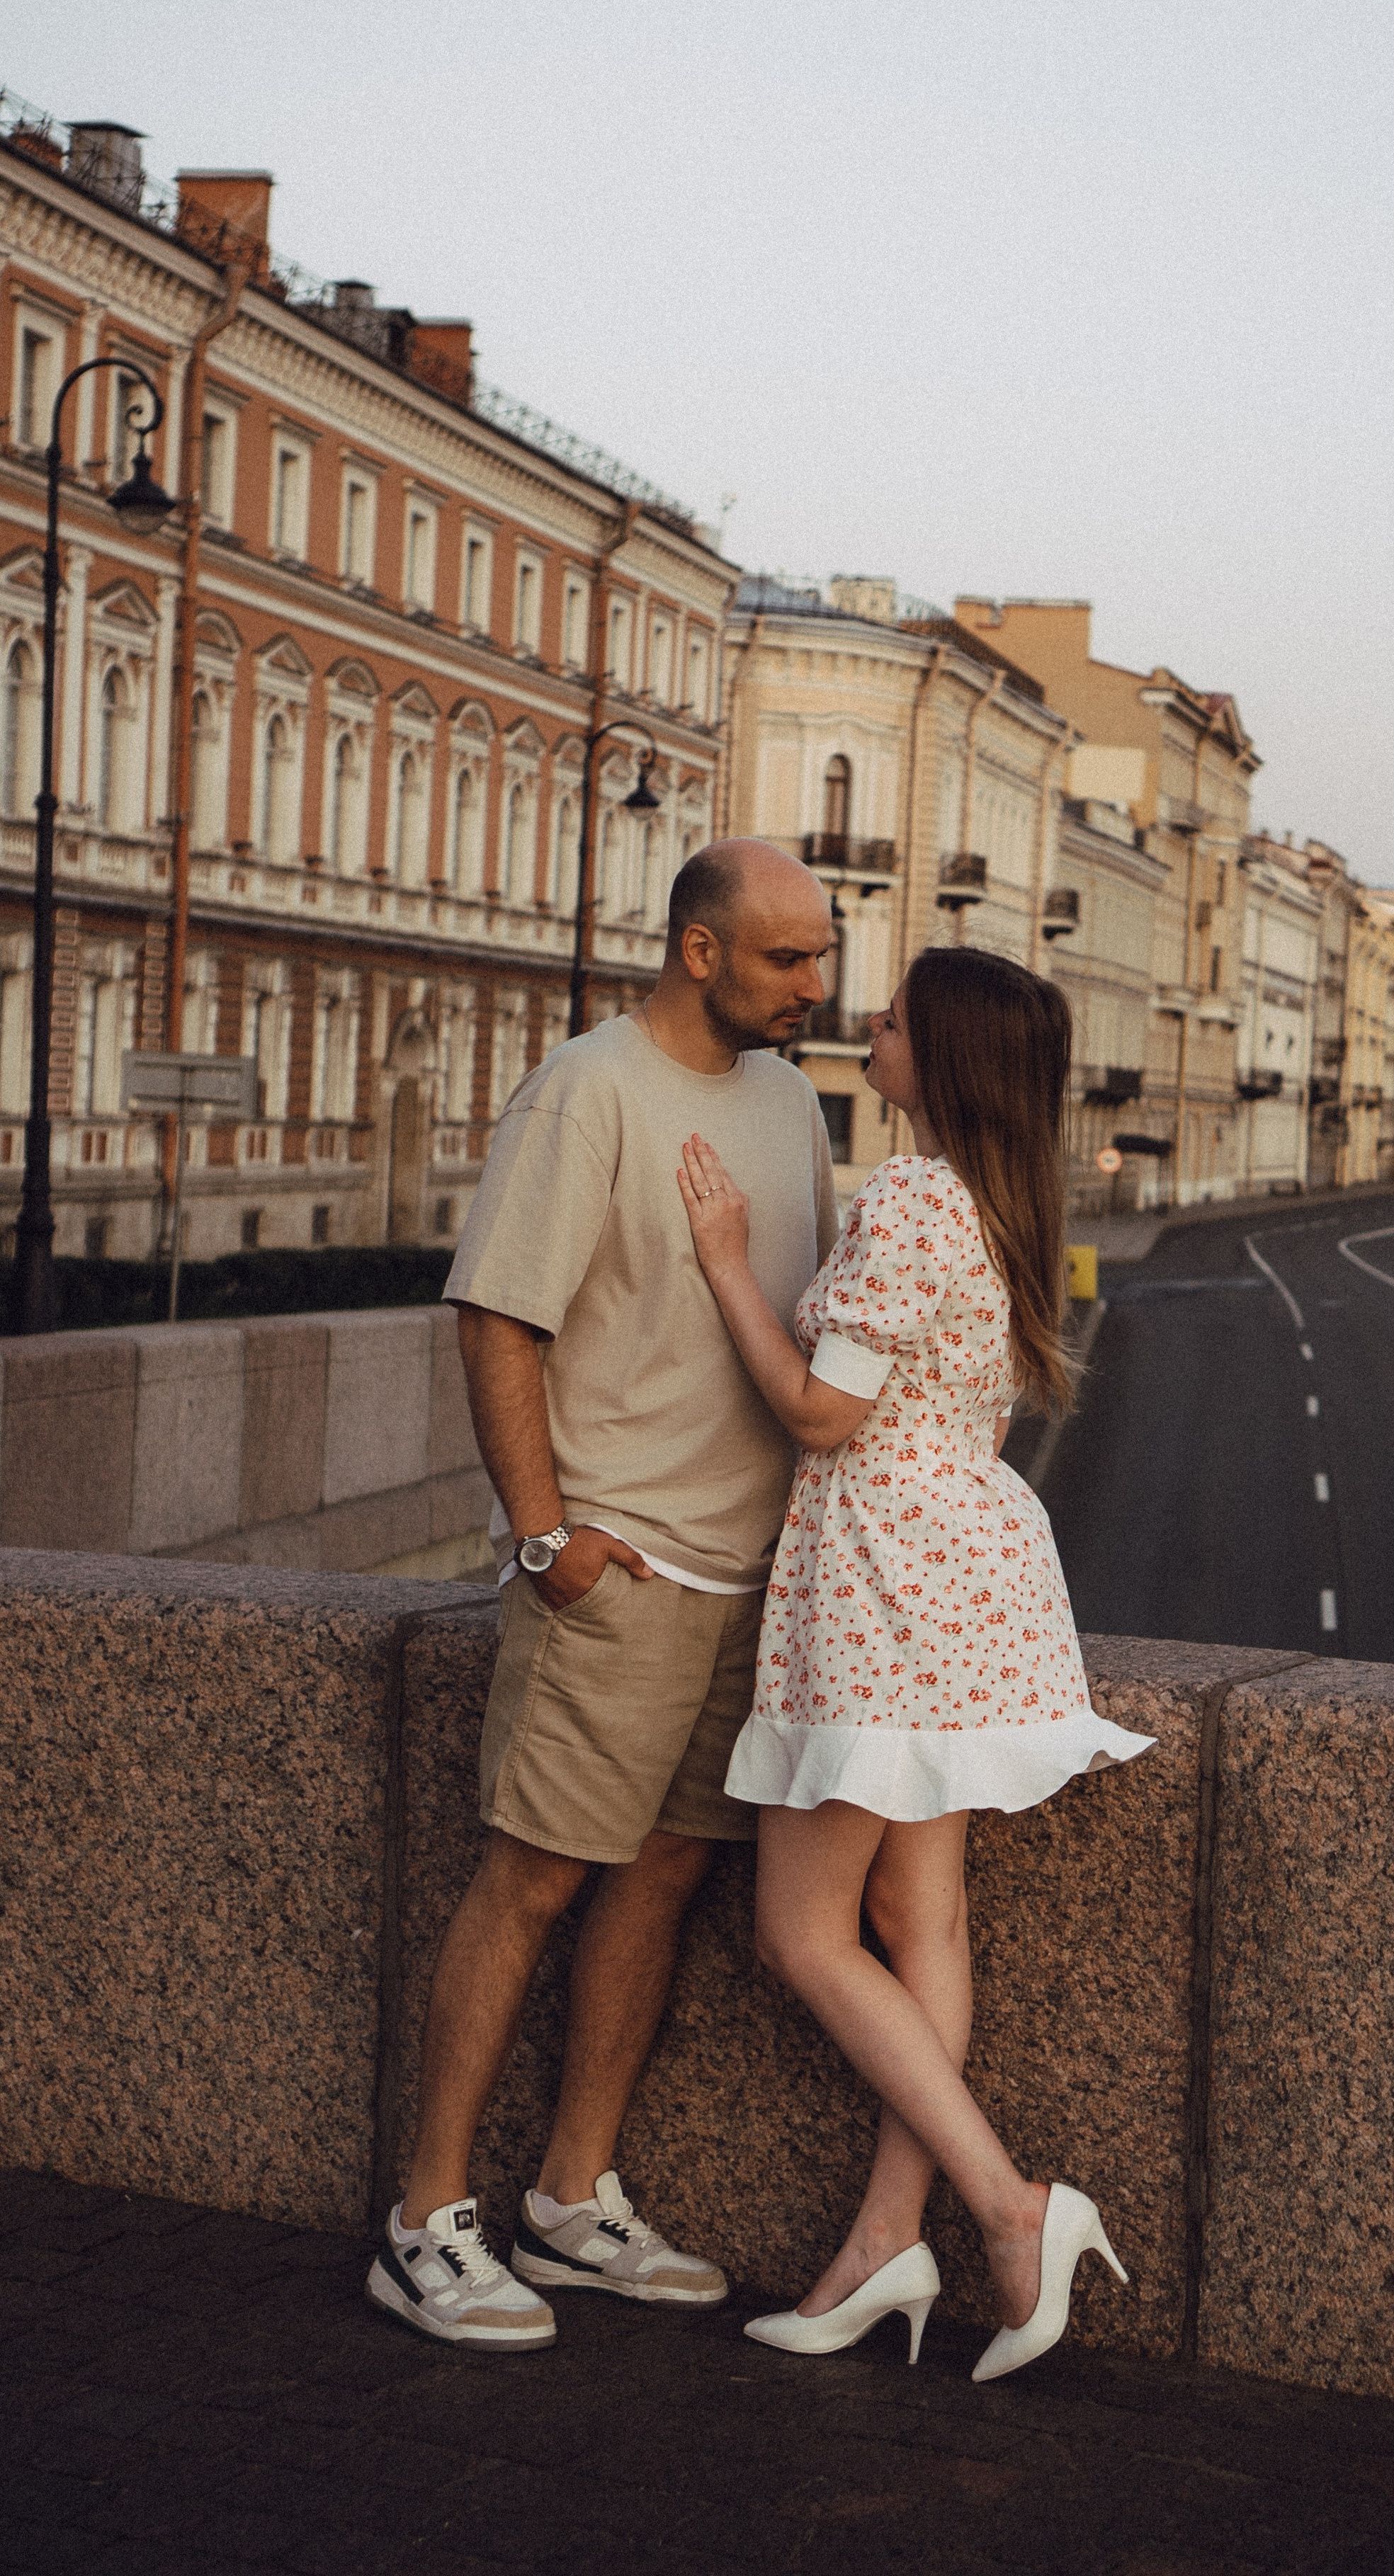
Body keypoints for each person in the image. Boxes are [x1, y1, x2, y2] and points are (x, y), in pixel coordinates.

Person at [366, 838, 840, 2352]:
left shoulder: (788, 1103)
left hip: (745, 1570)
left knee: (662, 1880)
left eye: (822, 956)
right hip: (616, 1567)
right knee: (532, 1880)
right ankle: (424, 2221)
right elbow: (497, 1317)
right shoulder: (586, 1090)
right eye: (786, 960)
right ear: (699, 953)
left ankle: (571, 2201)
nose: (814, 988)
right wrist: (541, 1534)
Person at [676, 944, 1152, 2383]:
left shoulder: (910, 1200)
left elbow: (822, 1417)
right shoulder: (1002, 1206)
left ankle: (1009, 2205)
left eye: (887, 1021)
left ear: (935, 1057)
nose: (864, 1030)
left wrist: (721, 1268)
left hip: (881, 1579)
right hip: (972, 1573)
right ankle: (886, 2242)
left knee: (803, 1935)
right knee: (917, 1918)